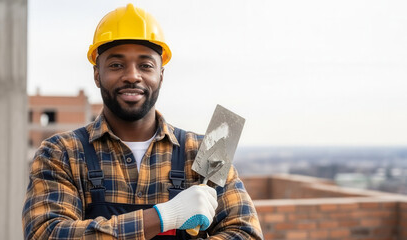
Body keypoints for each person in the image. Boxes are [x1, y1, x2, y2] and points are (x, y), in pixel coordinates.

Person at [22, 3, 263, 240]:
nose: (132, 76)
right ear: (97, 74)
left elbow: (246, 233)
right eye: (116, 65)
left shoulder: (205, 151)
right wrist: (164, 216)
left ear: (161, 74)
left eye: (145, 65)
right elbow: (46, 233)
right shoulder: (61, 153)